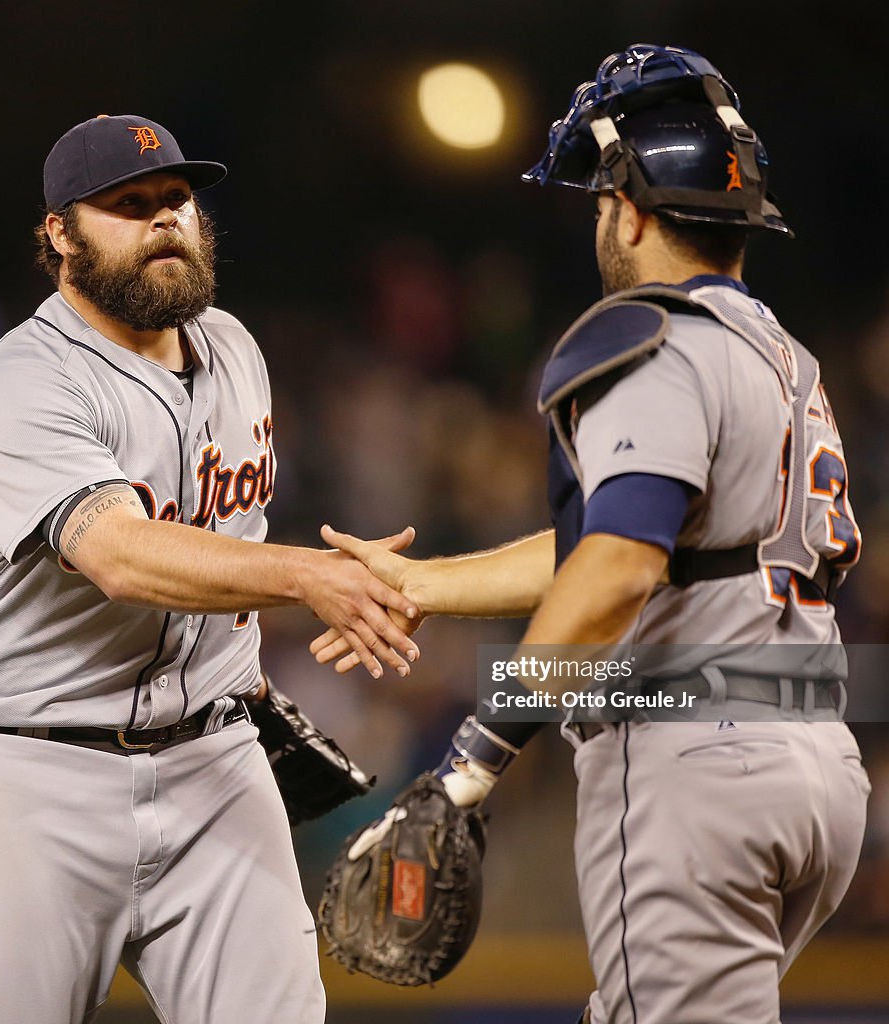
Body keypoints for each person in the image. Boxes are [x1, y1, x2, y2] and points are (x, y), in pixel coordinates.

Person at [312, 45, 871, 1024]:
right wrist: (424, 583)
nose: (598, 218)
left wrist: (474, 755)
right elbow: (637, 540)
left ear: (635, 206)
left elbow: (616, 567)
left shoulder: (649, 335)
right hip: (812, 762)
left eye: (601, 195)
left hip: (694, 758)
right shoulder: (782, 355)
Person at [0, 113, 421, 1024]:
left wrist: (245, 684)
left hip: (215, 765)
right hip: (31, 777)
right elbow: (117, 552)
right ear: (58, 235)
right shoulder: (17, 385)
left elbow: (226, 535)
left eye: (177, 199)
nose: (164, 219)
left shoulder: (234, 349)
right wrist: (308, 576)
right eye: (127, 204)